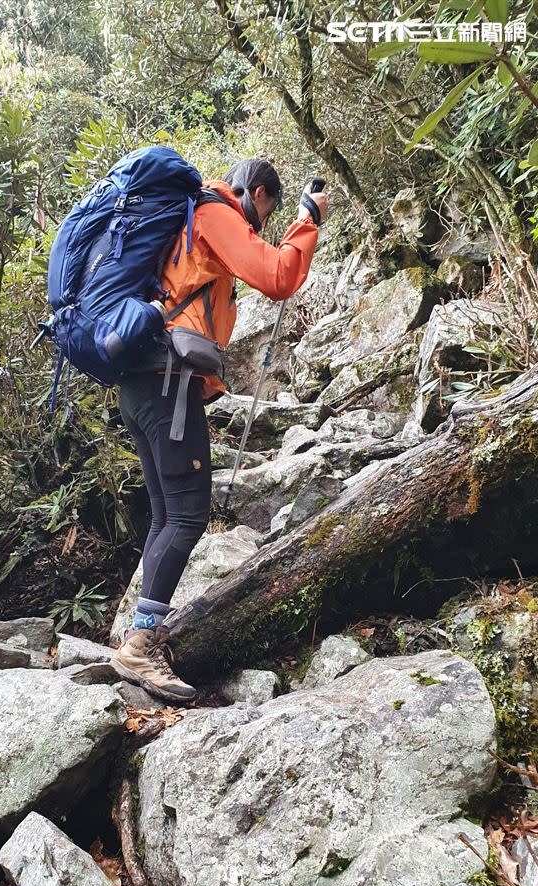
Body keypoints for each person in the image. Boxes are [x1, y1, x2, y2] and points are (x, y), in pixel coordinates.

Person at [109, 158, 329, 703]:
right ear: (255, 193)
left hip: (142, 385)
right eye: (264, 212)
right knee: (187, 515)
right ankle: (141, 646)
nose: (257, 226)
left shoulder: (184, 221)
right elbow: (278, 277)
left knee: (167, 514)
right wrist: (307, 221)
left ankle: (137, 630)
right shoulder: (214, 212)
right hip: (169, 385)